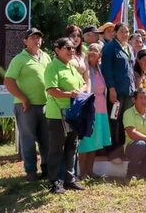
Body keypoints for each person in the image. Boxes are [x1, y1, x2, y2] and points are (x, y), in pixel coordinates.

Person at [4, 27, 51, 181]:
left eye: (39, 37)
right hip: (26, 106)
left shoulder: (46, 57)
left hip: (45, 105)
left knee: (46, 139)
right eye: (32, 38)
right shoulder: (19, 59)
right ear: (25, 41)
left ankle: (47, 168)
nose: (37, 40)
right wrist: (23, 98)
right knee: (28, 139)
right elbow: (8, 81)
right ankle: (30, 172)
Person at [44, 37, 88, 193]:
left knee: (71, 147)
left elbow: (83, 83)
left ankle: (69, 180)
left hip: (73, 114)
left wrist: (80, 92)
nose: (72, 51)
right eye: (67, 48)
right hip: (57, 115)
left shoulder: (71, 66)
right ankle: (55, 182)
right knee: (56, 149)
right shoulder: (52, 67)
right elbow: (51, 89)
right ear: (57, 50)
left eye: (73, 48)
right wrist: (70, 94)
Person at [101, 22, 136, 162]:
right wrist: (111, 88)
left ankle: (122, 150)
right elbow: (106, 69)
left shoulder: (129, 48)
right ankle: (113, 153)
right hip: (116, 92)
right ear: (115, 33)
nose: (125, 34)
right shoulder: (110, 48)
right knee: (114, 121)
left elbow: (131, 71)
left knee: (125, 121)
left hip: (128, 92)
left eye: (127, 32)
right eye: (122, 31)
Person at [77, 43, 111, 179]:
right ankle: (82, 173)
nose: (92, 52)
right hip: (89, 108)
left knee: (95, 141)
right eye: (90, 49)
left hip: (101, 108)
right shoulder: (84, 69)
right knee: (85, 142)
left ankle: (90, 171)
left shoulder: (100, 69)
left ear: (100, 55)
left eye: (95, 50)